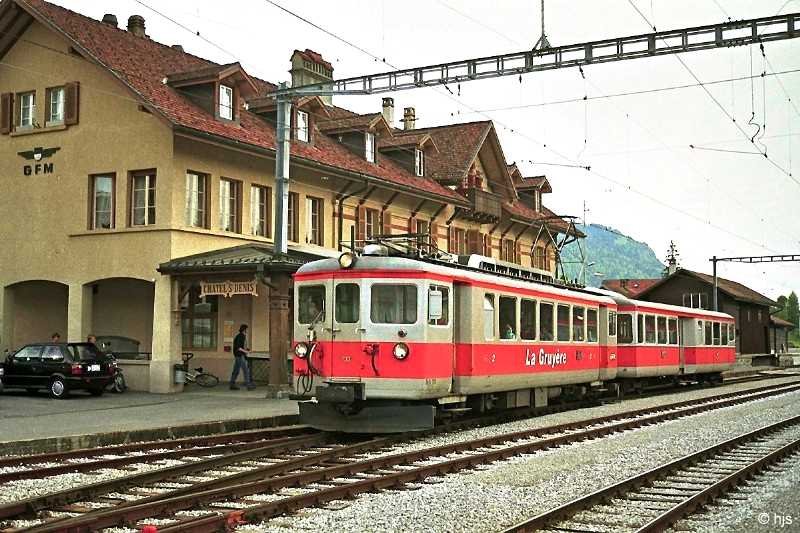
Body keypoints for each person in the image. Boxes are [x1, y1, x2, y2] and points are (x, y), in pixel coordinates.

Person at [230, 324, 255, 390]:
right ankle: (248, 385)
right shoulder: (241, 336)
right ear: (244, 329)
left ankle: (232, 384)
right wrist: (246, 352)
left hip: (238, 355)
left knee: (236, 370)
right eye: (247, 329)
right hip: (240, 355)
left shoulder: (240, 336)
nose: (247, 331)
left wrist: (247, 350)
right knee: (246, 370)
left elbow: (241, 346)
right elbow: (239, 348)